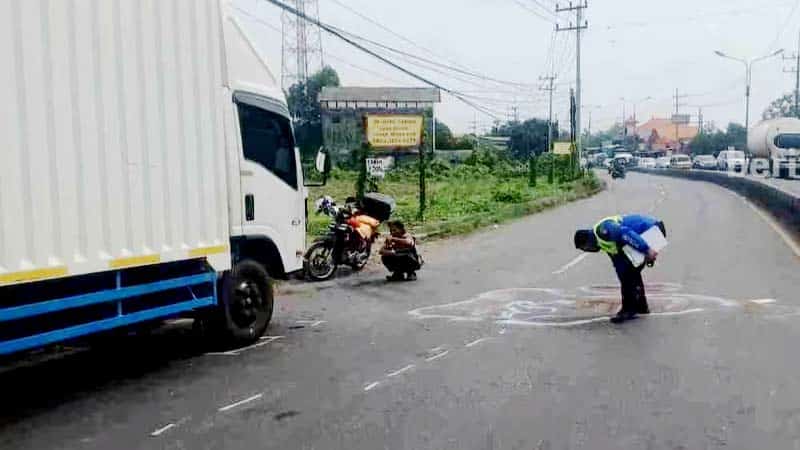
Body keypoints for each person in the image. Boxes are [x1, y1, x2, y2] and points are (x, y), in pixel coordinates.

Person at [574, 214, 667, 323]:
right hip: (644, 234)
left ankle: (629, 310)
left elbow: (626, 233)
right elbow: (619, 265)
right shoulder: (603, 243)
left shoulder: (603, 230)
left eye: (585, 248)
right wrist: (623, 278)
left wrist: (646, 250)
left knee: (630, 273)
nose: (587, 250)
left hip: (652, 229)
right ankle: (641, 307)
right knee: (628, 272)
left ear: (587, 242)